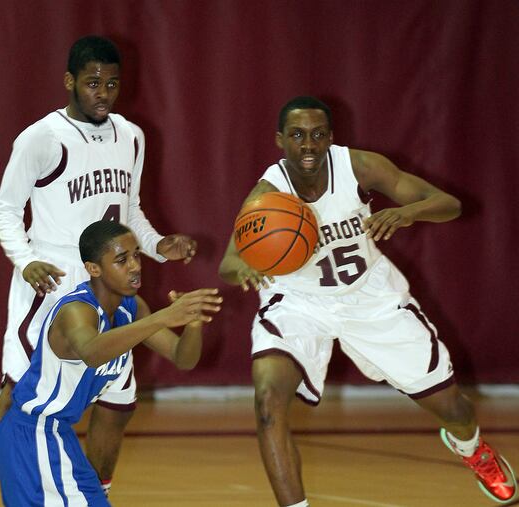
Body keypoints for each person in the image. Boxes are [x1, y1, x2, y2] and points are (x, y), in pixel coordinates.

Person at [218, 96, 517, 507]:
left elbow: (449, 204)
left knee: (454, 408)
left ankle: (473, 449)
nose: (309, 145)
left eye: (318, 134)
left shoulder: (358, 166)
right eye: (298, 135)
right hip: (297, 303)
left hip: (370, 299)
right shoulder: (268, 193)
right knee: (268, 400)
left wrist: (409, 213)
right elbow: (229, 262)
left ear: (331, 137)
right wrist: (245, 270)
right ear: (280, 140)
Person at [0, 35, 198, 504]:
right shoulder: (41, 137)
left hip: (109, 277)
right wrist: (24, 262)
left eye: (112, 83)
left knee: (119, 401)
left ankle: (93, 494)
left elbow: (131, 210)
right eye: (92, 83)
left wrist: (159, 245)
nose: (102, 92)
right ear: (69, 82)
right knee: (18, 394)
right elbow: (5, 209)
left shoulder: (132, 135)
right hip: (52, 275)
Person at [0, 219, 221, 506]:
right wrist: (164, 317)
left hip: (58, 436)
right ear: (93, 269)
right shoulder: (76, 310)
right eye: (121, 260)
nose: (136, 266)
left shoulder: (132, 307)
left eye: (137, 255)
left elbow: (182, 357)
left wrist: (193, 324)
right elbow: (91, 351)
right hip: (32, 435)